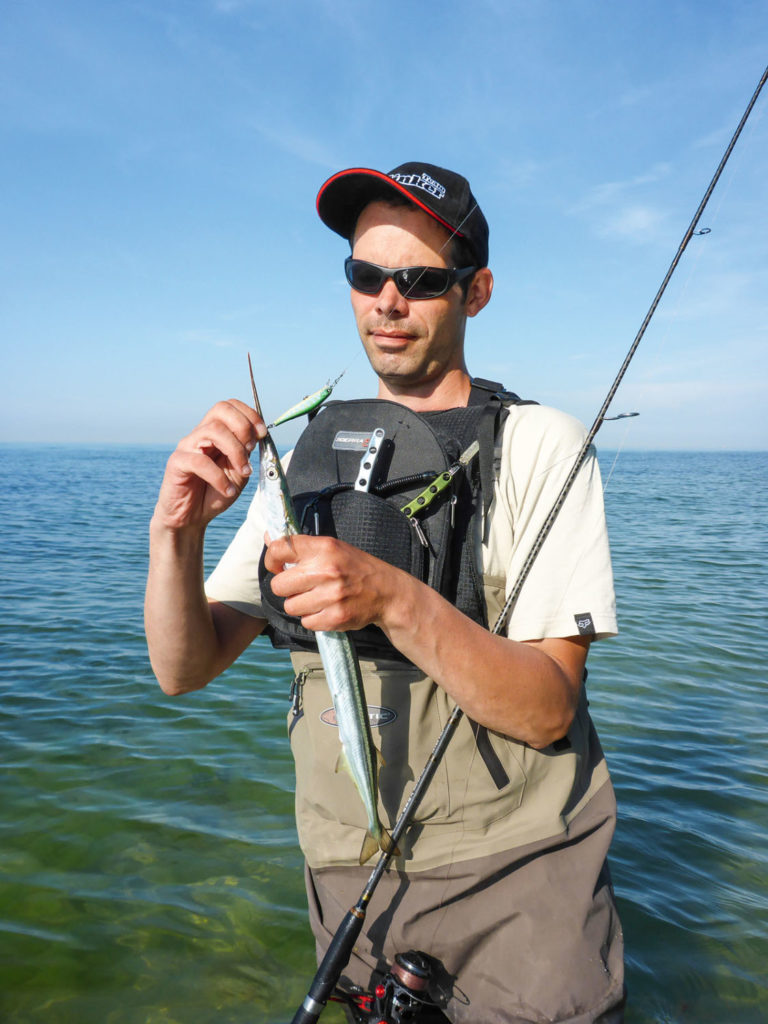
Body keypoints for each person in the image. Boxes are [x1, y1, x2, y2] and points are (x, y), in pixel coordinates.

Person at [145, 162, 626, 1023]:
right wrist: (175, 536)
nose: (387, 302)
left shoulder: (544, 445)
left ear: (475, 292)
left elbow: (551, 709)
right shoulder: (304, 460)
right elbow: (184, 668)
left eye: (420, 280)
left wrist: (391, 598)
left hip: (519, 874)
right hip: (347, 875)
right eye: (366, 276)